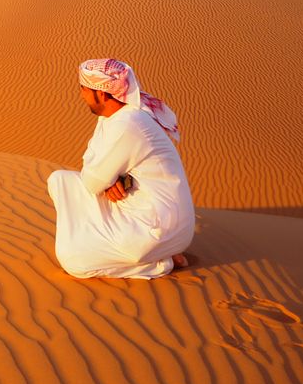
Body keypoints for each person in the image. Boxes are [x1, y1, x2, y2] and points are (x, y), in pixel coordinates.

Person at [47, 58, 194, 279]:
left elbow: (91, 180)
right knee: (60, 180)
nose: (81, 95)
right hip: (141, 208)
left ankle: (160, 262)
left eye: (84, 89)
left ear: (102, 94)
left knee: (73, 260)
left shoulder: (128, 124)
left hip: (159, 227)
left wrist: (106, 179)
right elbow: (90, 161)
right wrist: (111, 180)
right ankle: (151, 253)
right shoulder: (115, 117)